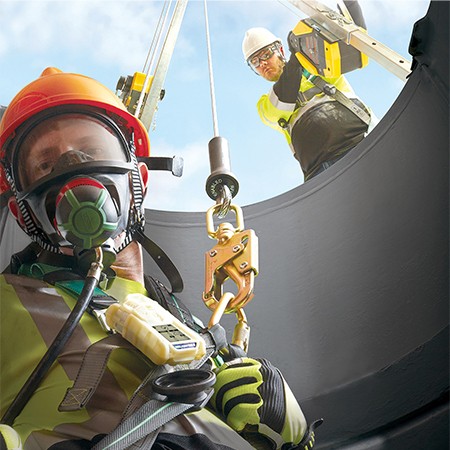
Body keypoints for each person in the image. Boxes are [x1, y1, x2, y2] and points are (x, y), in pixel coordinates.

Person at [0, 67, 320, 449]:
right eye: (46, 165)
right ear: (23, 211)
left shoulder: (181, 321)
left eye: (93, 151)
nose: (76, 171)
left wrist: (289, 431)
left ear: (139, 180)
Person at [242, 2, 374, 181]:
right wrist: (297, 57)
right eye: (255, 62)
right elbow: (285, 97)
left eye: (266, 55)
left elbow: (353, 37)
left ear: (280, 50)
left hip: (362, 141)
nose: (262, 63)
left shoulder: (319, 66)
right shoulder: (265, 105)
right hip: (321, 171)